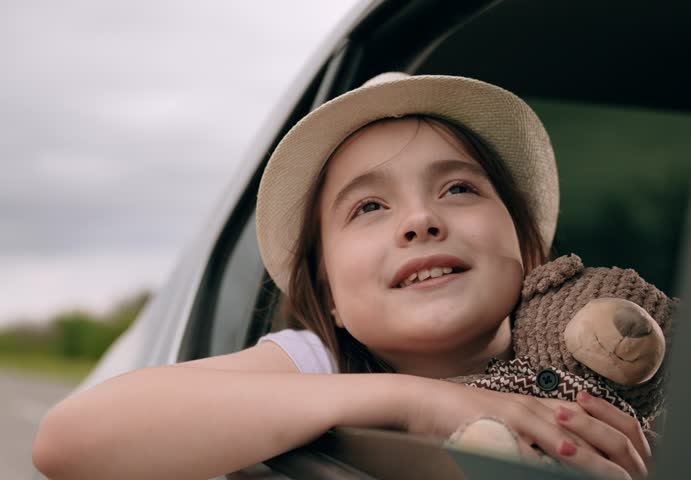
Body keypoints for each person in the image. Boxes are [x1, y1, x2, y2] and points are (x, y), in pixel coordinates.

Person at [33, 73, 652, 480]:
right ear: (329, 297)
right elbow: (67, 442)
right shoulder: (320, 362)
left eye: (459, 187)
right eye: (369, 207)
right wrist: (415, 402)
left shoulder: (595, 361)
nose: (420, 220)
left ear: (529, 252)